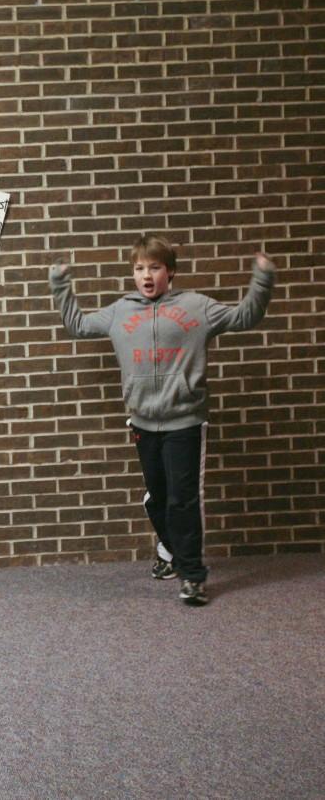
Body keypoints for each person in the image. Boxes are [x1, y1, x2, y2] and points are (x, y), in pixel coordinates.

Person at [49, 235, 275, 606]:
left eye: (154, 267)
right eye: (139, 268)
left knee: (182, 501)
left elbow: (245, 316)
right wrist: (60, 283)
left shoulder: (196, 307)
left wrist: (262, 278)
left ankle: (193, 577)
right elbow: (76, 324)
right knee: (158, 498)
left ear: (169, 271)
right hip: (141, 422)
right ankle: (170, 552)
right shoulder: (120, 311)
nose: (146, 275)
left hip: (184, 421)